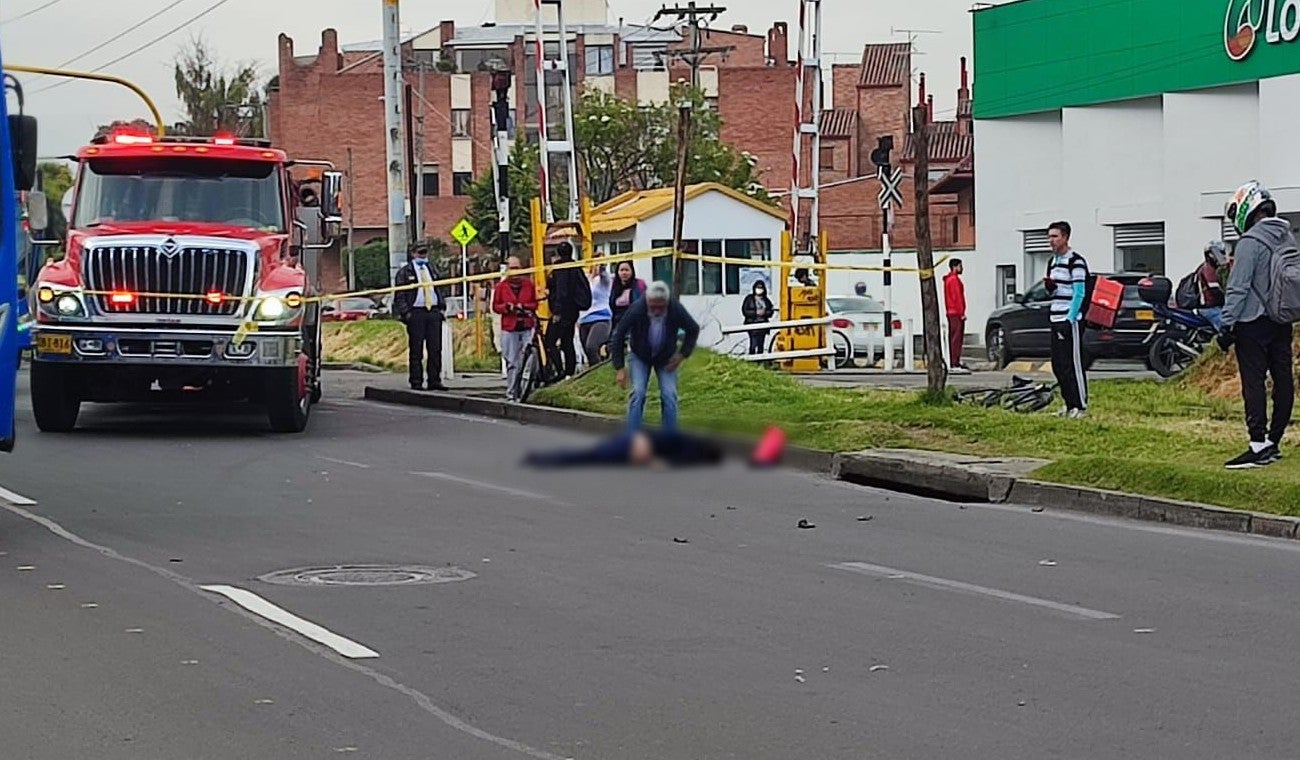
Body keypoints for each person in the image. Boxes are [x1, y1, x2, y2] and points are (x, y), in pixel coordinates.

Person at [1217, 180, 1295, 470]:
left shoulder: (1249, 242)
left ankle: (1257, 444)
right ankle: (1274, 441)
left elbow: (1238, 287)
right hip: (1281, 319)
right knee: (1283, 380)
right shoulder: (1287, 236)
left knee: (1254, 383)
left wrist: (1226, 325)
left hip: (1252, 321)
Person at [610, 280, 700, 433]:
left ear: (667, 303)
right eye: (653, 306)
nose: (657, 310)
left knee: (669, 395)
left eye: (661, 307)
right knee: (638, 393)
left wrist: (682, 354)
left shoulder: (674, 308)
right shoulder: (637, 309)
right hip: (640, 355)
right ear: (647, 301)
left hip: (666, 357)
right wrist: (619, 367)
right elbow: (618, 335)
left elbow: (693, 329)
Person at [1045, 221, 1089, 419]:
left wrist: (1070, 318)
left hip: (1070, 320)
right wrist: (1051, 288)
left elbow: (1079, 293)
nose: (1051, 240)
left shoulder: (1076, 261)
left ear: (1065, 237)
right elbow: (1056, 291)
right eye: (1049, 236)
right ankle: (1068, 403)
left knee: (1073, 363)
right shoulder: (1052, 262)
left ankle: (1080, 405)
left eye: (1055, 236)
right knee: (1058, 364)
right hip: (1055, 316)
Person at [392, 242, 449, 391]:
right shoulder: (405, 272)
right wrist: (407, 313)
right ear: (413, 254)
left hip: (433, 312)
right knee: (416, 350)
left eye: (425, 253)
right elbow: (399, 295)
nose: (423, 256)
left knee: (435, 349)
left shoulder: (432, 269)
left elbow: (440, 288)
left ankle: (434, 380)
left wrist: (441, 308)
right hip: (416, 313)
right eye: (420, 253)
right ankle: (416, 381)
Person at [521, 429, 724, 469]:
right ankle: (544, 459)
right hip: (636, 445)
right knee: (590, 456)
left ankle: (545, 458)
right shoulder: (689, 447)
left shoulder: (687, 442)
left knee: (591, 456)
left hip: (636, 445)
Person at [492, 256, 538, 402]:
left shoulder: (528, 285)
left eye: (517, 268)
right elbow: (495, 306)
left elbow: (534, 304)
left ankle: (527, 390)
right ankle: (511, 392)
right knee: (512, 361)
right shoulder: (501, 287)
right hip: (509, 327)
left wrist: (523, 307)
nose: (515, 272)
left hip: (526, 325)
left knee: (528, 360)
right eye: (512, 268)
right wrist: (507, 307)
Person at [543, 241, 591, 379]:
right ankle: (569, 372)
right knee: (567, 341)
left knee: (550, 342)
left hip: (562, 312)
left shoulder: (560, 268)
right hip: (573, 311)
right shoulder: (575, 267)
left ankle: (560, 372)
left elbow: (562, 291)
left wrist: (557, 311)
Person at [578, 254, 613, 367]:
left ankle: (599, 369)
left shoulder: (605, 280)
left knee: (591, 347)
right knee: (588, 352)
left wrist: (602, 268)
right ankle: (596, 371)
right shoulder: (586, 279)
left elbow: (604, 275)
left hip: (601, 318)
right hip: (584, 319)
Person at [1196, 241, 1229, 330]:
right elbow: (1215, 291)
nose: (1222, 256)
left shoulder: (1217, 269)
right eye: (1219, 253)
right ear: (1210, 254)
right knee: (1227, 326)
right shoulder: (1208, 269)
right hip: (1209, 308)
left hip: (1215, 306)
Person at [943, 258, 968, 370]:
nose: (962, 268)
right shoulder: (954, 280)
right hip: (956, 313)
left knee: (953, 337)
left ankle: (954, 360)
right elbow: (957, 297)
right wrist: (961, 312)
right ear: (955, 267)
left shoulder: (948, 280)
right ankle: (954, 361)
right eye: (960, 266)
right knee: (956, 338)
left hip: (951, 312)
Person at [741, 279, 775, 355]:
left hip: (763, 325)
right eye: (758, 287)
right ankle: (752, 358)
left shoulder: (766, 300)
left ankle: (760, 359)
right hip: (752, 324)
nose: (759, 289)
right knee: (753, 344)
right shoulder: (749, 298)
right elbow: (745, 311)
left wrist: (764, 313)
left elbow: (770, 311)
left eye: (761, 287)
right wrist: (755, 313)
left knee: (760, 345)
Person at [609, 261, 646, 329]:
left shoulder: (639, 284)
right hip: (615, 322)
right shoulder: (612, 286)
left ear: (632, 271)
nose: (624, 273)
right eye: (621, 270)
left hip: (634, 321)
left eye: (627, 270)